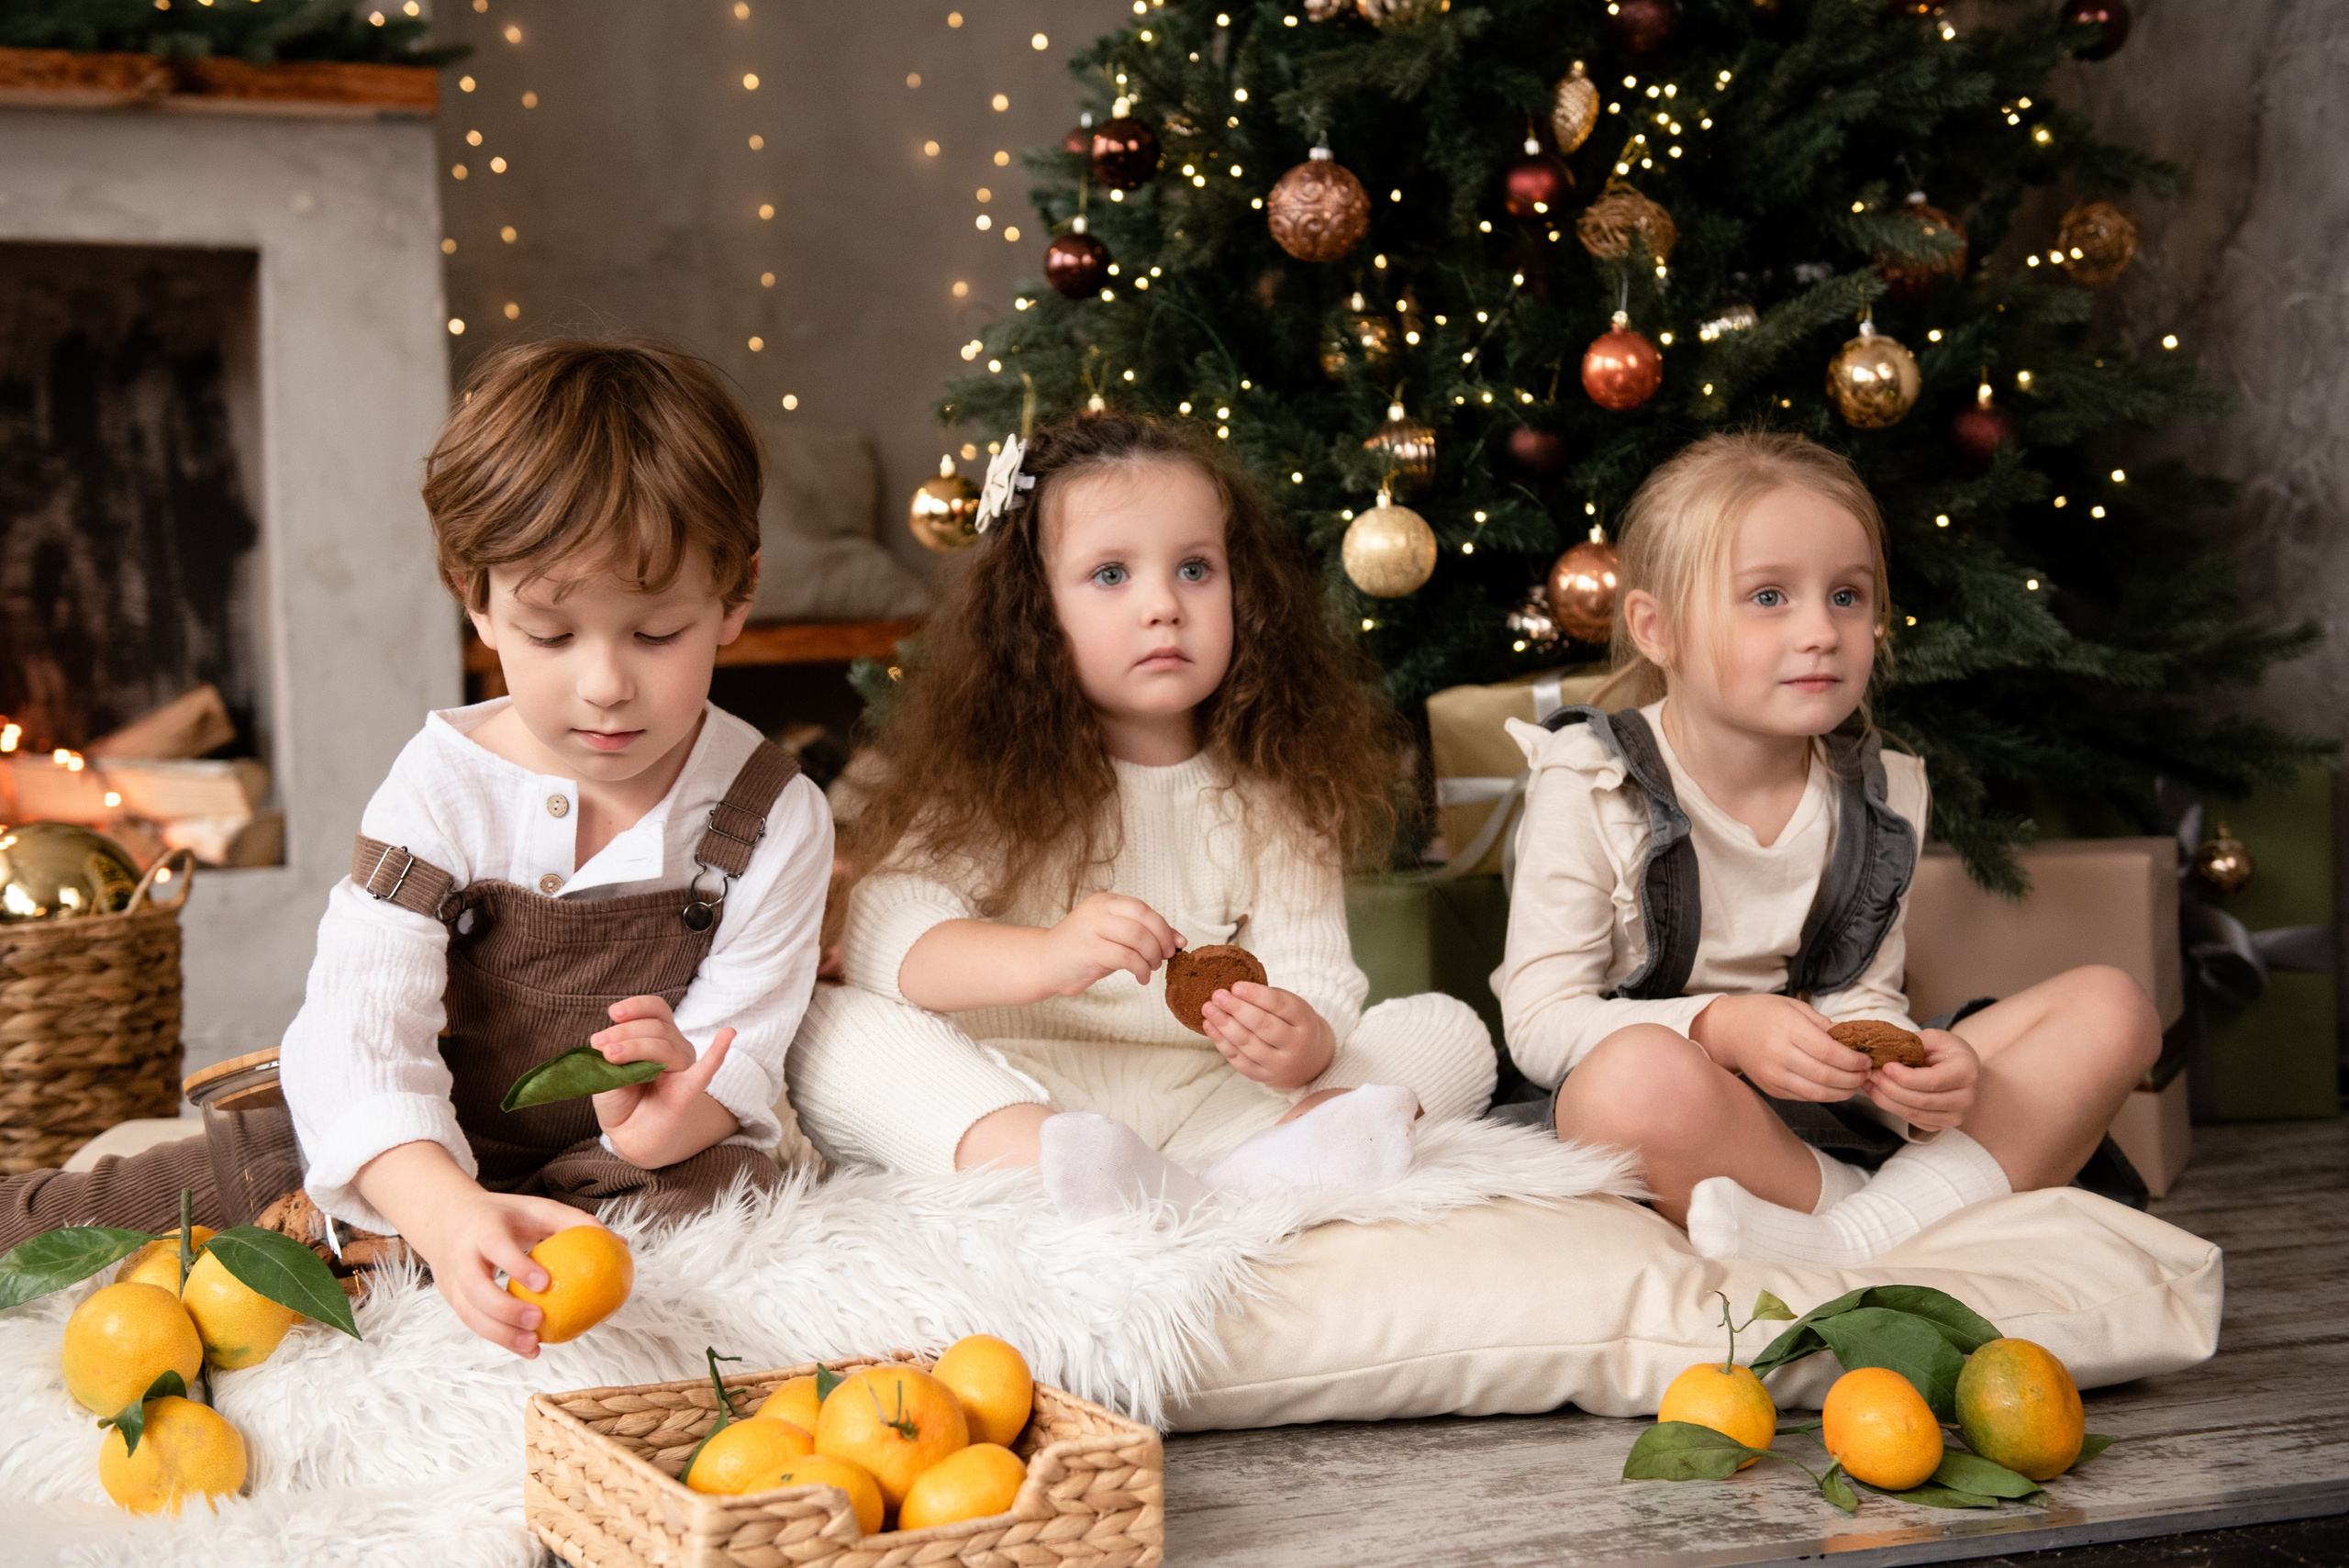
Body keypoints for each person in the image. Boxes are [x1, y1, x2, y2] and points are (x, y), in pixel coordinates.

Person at [2, 339, 832, 1356]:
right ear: (474, 595)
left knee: (720, 1198)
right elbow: (362, 1027)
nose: (606, 683)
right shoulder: (442, 787)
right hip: (407, 1132)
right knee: (171, 1190)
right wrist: (438, 1207)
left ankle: (434, 1249)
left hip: (613, 1153)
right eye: (552, 634)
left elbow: (744, 1040)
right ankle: (391, 1234)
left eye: (656, 634)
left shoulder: (772, 812)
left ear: (736, 596)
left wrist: (663, 1113)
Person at [787, 414, 1494, 1219]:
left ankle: (1269, 1162)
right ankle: (1048, 1164)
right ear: (1036, 612)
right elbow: (887, 933)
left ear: (1244, 591)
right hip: (1022, 1086)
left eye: (1196, 568)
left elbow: (1319, 977)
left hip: (1216, 1107)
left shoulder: (1279, 789)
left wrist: (1300, 1038)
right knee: (830, 1026)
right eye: (1112, 575)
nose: (1164, 604)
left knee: (1446, 1026)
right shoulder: (996, 778)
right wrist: (1047, 955)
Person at [1493, 431, 2160, 1265]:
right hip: (1688, 1115)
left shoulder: (1881, 791)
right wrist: (1723, 1029)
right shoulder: (1591, 778)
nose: (1821, 630)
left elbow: (1863, 997)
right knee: (1630, 1083)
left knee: (2113, 1005)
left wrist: (1916, 1076)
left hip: (1832, 1108)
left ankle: (1850, 1236)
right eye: (1768, 597)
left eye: (1847, 596)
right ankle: (1902, 1218)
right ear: (1656, 629)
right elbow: (1540, 1023)